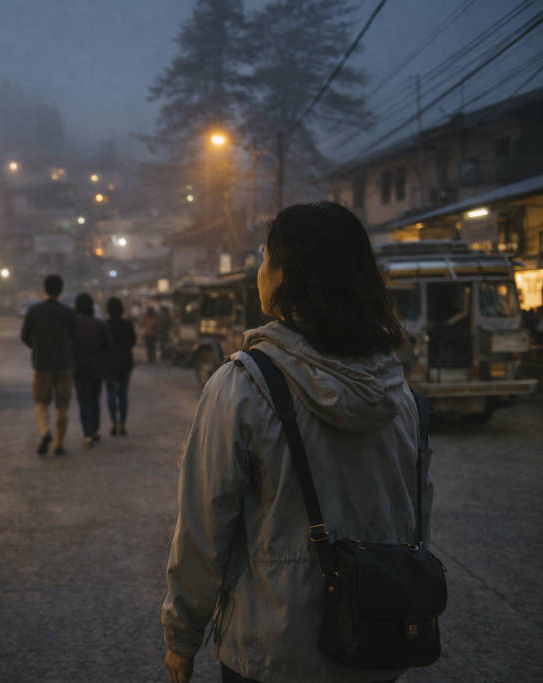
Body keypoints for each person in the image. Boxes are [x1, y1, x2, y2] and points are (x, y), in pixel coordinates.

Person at [163, 202, 428, 683]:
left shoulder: (243, 384)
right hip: (375, 641)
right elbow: (414, 508)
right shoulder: (397, 389)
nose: (260, 270)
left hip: (272, 650)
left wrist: (182, 633)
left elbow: (203, 526)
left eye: (266, 258)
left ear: (287, 275)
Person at [21, 274, 77, 456]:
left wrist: (36, 347)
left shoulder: (34, 311)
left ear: (44, 289)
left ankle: (45, 432)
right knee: (63, 405)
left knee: (41, 401)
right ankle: (59, 444)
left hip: (42, 363)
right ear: (61, 291)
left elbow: (25, 336)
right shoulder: (68, 312)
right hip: (63, 363)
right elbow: (74, 337)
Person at [72, 292, 111, 448]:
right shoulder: (99, 324)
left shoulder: (73, 326)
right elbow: (108, 346)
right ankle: (94, 430)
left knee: (84, 402)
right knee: (95, 400)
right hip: (97, 369)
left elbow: (70, 346)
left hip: (79, 370)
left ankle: (87, 434)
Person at [103, 297, 136, 436]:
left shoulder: (105, 324)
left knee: (110, 393)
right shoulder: (127, 324)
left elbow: (102, 344)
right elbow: (132, 341)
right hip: (125, 362)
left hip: (109, 363)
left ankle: (113, 423)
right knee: (123, 394)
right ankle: (123, 425)